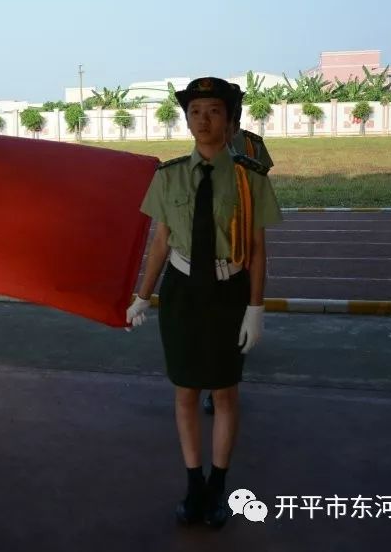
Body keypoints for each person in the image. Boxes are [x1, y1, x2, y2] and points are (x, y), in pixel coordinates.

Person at [125, 77, 283, 528]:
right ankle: (194, 482)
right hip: (181, 291)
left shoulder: (249, 179)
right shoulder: (169, 174)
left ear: (231, 122)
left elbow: (255, 248)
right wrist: (143, 295)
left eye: (213, 111)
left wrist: (255, 307)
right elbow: (160, 242)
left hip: (227, 291)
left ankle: (219, 486)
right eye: (195, 112)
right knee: (185, 391)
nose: (203, 120)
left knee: (226, 392)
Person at [203, 84, 275, 416]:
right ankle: (211, 387)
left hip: (244, 242)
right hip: (214, 244)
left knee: (237, 314)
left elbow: (260, 183)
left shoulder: (251, 144)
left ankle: (226, 380)